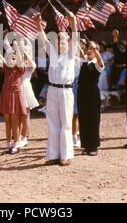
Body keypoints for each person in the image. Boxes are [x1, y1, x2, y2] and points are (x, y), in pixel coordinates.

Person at [34, 10, 78, 166]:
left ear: (68, 44)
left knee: (66, 122)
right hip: (52, 90)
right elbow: (43, 39)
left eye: (64, 42)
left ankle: (65, 156)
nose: (61, 45)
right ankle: (53, 155)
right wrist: (38, 24)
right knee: (52, 121)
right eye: (59, 42)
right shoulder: (52, 52)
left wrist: (72, 22)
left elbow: (75, 37)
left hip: (66, 90)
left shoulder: (71, 53)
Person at [0, 38, 26, 154]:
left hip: (16, 94)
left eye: (13, 58)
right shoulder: (6, 68)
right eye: (9, 58)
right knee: (7, 121)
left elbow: (20, 60)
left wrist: (16, 47)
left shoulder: (19, 69)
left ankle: (16, 143)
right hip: (6, 94)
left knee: (15, 121)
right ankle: (8, 144)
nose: (11, 60)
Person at [77, 41, 104, 156]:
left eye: (91, 49)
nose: (89, 50)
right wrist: (80, 43)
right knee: (83, 119)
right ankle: (86, 145)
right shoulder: (83, 62)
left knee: (93, 119)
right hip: (82, 93)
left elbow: (101, 63)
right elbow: (76, 51)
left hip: (93, 94)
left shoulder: (97, 63)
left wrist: (95, 50)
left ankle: (93, 146)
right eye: (88, 48)